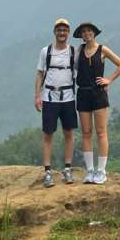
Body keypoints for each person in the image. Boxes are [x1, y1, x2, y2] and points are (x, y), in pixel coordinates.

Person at [73, 22, 120, 184]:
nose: (86, 33)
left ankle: (101, 170)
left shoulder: (103, 49)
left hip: (98, 94)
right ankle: (90, 170)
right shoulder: (78, 51)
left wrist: (108, 80)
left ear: (94, 33)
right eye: (83, 32)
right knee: (86, 133)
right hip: (82, 93)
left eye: (89, 31)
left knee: (101, 132)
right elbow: (72, 67)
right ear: (81, 35)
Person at [35, 18, 79, 188]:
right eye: (59, 30)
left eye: (65, 30)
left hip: (68, 97)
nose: (62, 33)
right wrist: (37, 95)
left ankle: (67, 168)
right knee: (48, 134)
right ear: (54, 32)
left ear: (68, 33)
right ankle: (47, 171)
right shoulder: (46, 52)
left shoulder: (73, 52)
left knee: (69, 132)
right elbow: (39, 74)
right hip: (49, 97)